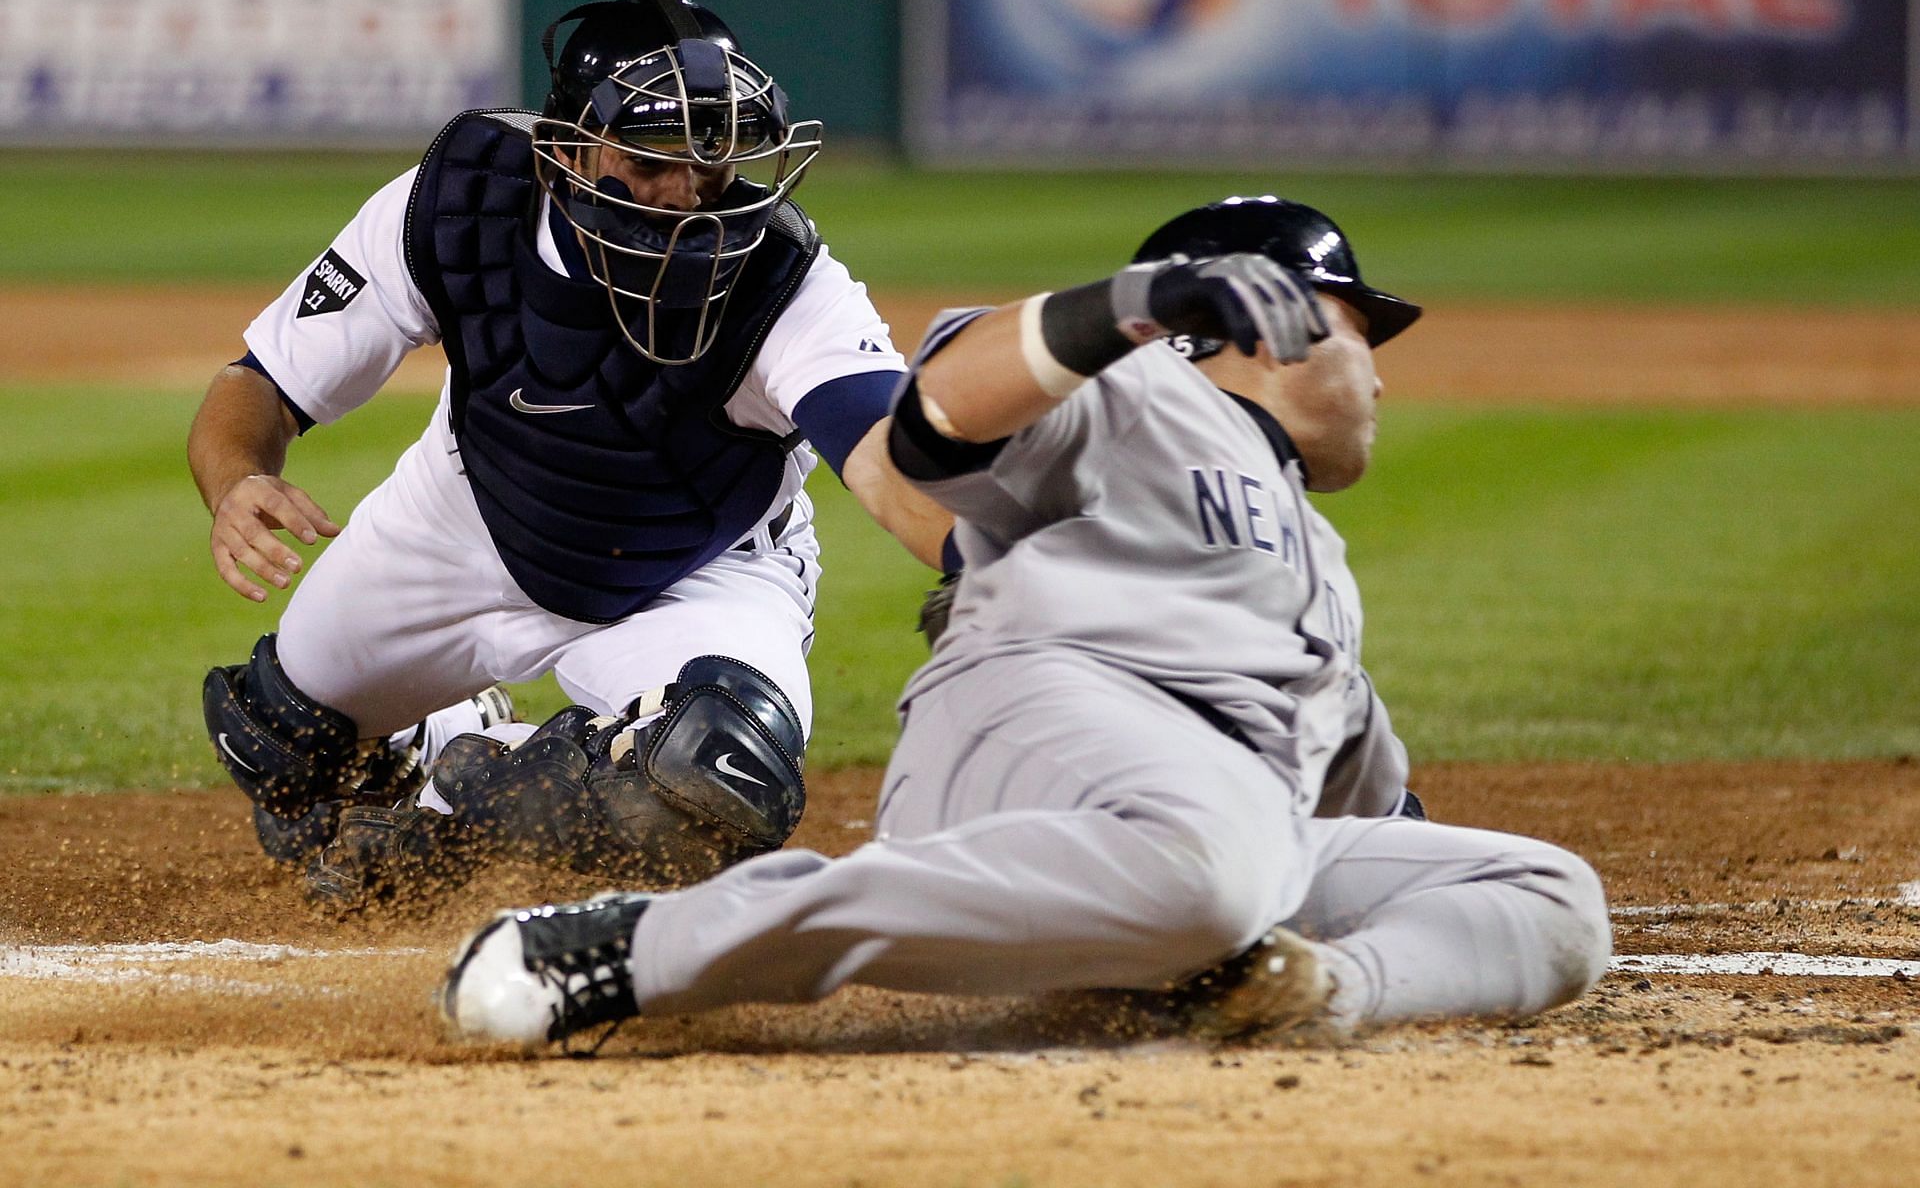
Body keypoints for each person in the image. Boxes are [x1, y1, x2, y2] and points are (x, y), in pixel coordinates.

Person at [435, 196, 1612, 1047]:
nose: (1380, 375)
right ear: (1268, 321)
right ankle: (630, 946)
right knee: (1215, 866)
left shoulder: (1321, 563)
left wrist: (1395, 866)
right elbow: (937, 415)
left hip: (1220, 816)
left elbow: (1362, 801)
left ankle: (1302, 988)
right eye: (1363, 331)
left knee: (1553, 896)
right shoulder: (1136, 395)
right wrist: (1145, 308)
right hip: (1042, 735)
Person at [189, 0, 950, 906]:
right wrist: (237, 481)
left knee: (714, 774)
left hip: (694, 567)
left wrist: (977, 559)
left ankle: (465, 787)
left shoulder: (785, 283)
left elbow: (885, 452)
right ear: (568, 153)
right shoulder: (460, 204)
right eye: (656, 151)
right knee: (279, 742)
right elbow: (257, 385)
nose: (690, 191)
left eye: (715, 156)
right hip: (463, 523)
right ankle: (437, 740)